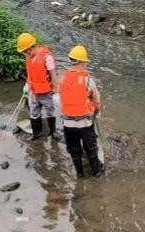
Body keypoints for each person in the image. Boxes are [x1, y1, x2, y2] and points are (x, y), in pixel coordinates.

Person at [58, 45, 103, 178]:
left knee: (74, 150)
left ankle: (80, 173)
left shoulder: (62, 79)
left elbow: (61, 99)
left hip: (68, 125)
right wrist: (97, 111)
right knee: (91, 148)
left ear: (70, 60)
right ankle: (97, 171)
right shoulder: (88, 80)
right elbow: (96, 100)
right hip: (85, 124)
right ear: (83, 62)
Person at [16, 32, 58, 140]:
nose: (25, 53)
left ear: (31, 47)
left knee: (50, 111)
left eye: (25, 51)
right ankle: (36, 133)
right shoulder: (28, 57)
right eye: (24, 52)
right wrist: (27, 85)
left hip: (46, 92)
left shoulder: (47, 57)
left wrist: (55, 89)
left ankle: (53, 132)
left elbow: (53, 75)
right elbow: (30, 74)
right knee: (34, 113)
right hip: (33, 92)